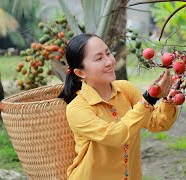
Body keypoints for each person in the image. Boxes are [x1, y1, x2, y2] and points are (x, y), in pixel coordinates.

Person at [59, 33, 179, 180]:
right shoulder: (77, 108)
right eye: (99, 58)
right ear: (80, 72)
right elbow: (115, 136)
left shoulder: (125, 89)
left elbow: (157, 123)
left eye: (108, 53)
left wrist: (169, 96)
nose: (109, 61)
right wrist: (149, 99)